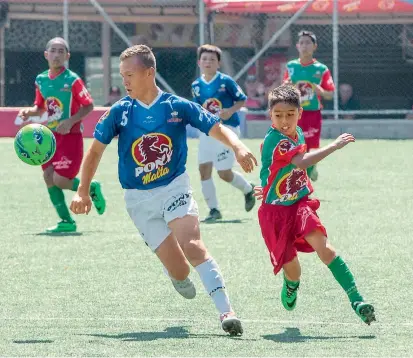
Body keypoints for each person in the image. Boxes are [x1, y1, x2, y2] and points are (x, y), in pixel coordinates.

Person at [70, 44, 258, 335]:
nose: (125, 82)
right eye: (122, 75)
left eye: (129, 74)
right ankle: (177, 273)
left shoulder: (177, 107)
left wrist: (239, 146)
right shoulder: (120, 112)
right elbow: (94, 153)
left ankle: (227, 312)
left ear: (149, 72)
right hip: (138, 200)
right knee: (181, 271)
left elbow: (216, 127)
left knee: (193, 246)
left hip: (174, 187)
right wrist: (82, 191)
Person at [254, 84, 376, 325]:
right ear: (270, 116)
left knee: (324, 247)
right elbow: (300, 162)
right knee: (294, 271)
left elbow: (279, 169)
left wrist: (268, 186)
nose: (285, 120)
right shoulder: (276, 140)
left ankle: (357, 300)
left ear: (300, 112)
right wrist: (334, 145)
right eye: (278, 116)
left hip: (299, 204)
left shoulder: (297, 132)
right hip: (275, 214)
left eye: (290, 114)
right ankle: (291, 285)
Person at [18, 37, 106, 233]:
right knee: (48, 177)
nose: (56, 55)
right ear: (46, 54)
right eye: (53, 51)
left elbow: (89, 105)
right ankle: (66, 222)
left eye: (61, 51)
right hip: (50, 138)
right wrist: (29, 112)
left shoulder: (72, 80)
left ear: (67, 56)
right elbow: (40, 106)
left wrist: (70, 121)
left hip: (71, 137)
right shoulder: (40, 79)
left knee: (61, 180)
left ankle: (91, 187)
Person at [191, 44, 255, 223]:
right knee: (204, 170)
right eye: (204, 59)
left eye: (212, 59)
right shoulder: (196, 85)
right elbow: (197, 107)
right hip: (207, 131)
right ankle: (214, 210)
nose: (208, 62)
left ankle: (248, 189)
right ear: (199, 62)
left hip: (227, 131)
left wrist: (230, 111)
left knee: (224, 173)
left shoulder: (226, 81)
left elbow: (242, 100)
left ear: (218, 63)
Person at [283, 30, 335, 182]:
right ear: (297, 46)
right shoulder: (291, 66)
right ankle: (296, 181)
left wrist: (321, 91)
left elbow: (330, 93)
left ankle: (311, 168)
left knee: (311, 146)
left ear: (314, 46)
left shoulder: (321, 69)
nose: (304, 46)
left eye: (308, 43)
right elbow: (284, 87)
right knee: (295, 147)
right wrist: (286, 86)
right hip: (294, 113)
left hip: (313, 113)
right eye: (302, 43)